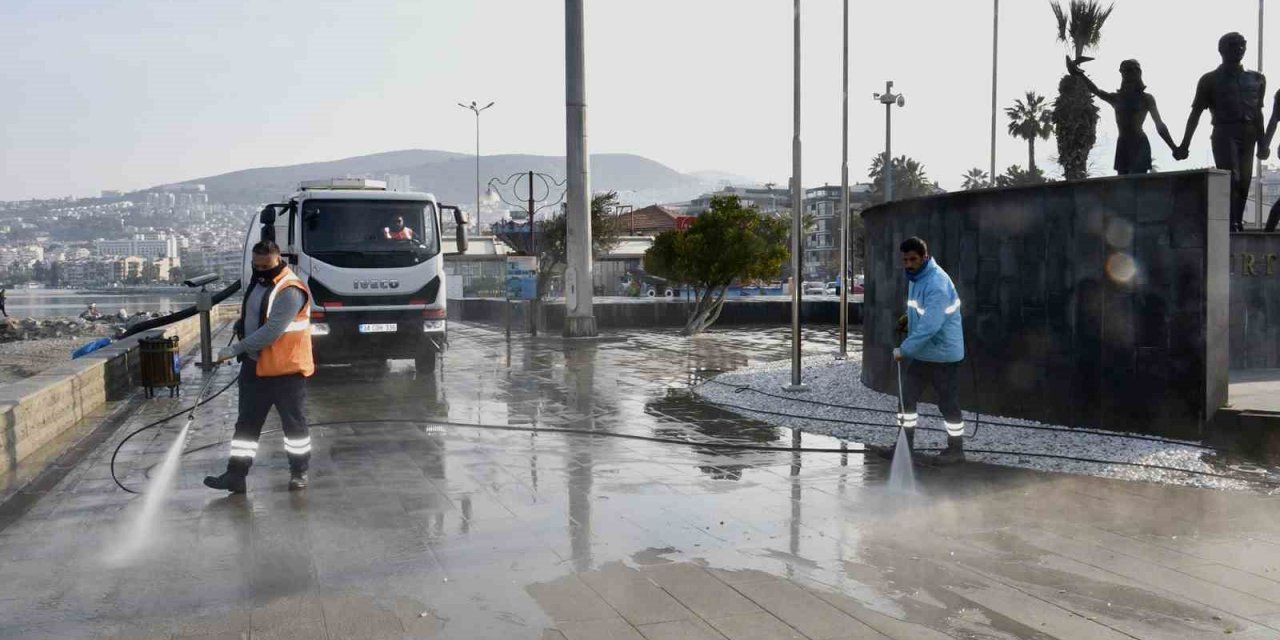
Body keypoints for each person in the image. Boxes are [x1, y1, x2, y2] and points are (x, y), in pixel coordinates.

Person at [205, 240, 315, 493]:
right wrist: (241, 328)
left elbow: (272, 331)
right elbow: (254, 315)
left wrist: (234, 349)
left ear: (278, 260)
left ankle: (299, 472)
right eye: (256, 265)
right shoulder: (258, 283)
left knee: (294, 426)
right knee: (246, 425)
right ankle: (235, 476)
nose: (260, 269)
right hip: (255, 368)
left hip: (286, 371)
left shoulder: (290, 289)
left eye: (265, 265)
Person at [1174, 32, 1267, 232]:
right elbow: (1196, 113)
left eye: (1242, 45)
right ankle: (1230, 222)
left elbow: (1258, 113)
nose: (1239, 48)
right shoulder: (1210, 80)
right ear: (1221, 49)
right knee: (1231, 178)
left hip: (1249, 133)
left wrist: (1263, 142)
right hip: (1225, 132)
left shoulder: (1257, 79)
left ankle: (1237, 222)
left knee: (1245, 181)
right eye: (1233, 45)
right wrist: (1185, 144)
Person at [888, 237, 967, 465]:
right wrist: (907, 319)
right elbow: (919, 311)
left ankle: (956, 450)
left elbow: (930, 326)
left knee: (947, 403)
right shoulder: (916, 277)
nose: (909, 264)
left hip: (943, 355)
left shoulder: (937, 283)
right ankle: (904, 445)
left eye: (913, 259)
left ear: (924, 256)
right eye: (905, 260)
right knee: (906, 398)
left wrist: (904, 350)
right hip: (925, 353)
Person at [1067, 58, 1178, 175]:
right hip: (1122, 145)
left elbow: (1159, 125)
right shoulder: (1116, 98)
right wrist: (1079, 74)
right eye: (1123, 71)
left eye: (1129, 70)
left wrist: (1173, 147)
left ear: (1138, 72)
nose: (1126, 74)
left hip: (1139, 146)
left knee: (1138, 185)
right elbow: (1097, 91)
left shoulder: (1146, 98)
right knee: (1122, 185)